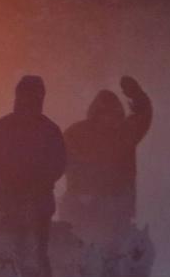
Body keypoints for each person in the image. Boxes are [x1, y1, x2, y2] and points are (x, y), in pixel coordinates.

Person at [0, 75, 67, 277]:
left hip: (37, 205)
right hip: (4, 203)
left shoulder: (48, 130)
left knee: (35, 252)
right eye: (26, 95)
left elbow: (58, 164)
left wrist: (34, 186)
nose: (29, 100)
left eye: (34, 95)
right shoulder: (3, 127)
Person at [62, 75, 152, 253]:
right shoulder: (76, 133)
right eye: (106, 114)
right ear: (96, 113)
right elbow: (60, 161)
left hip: (116, 201)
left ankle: (113, 268)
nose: (110, 119)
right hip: (82, 201)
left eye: (115, 114)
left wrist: (137, 96)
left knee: (113, 245)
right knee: (80, 241)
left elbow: (143, 116)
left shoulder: (125, 132)